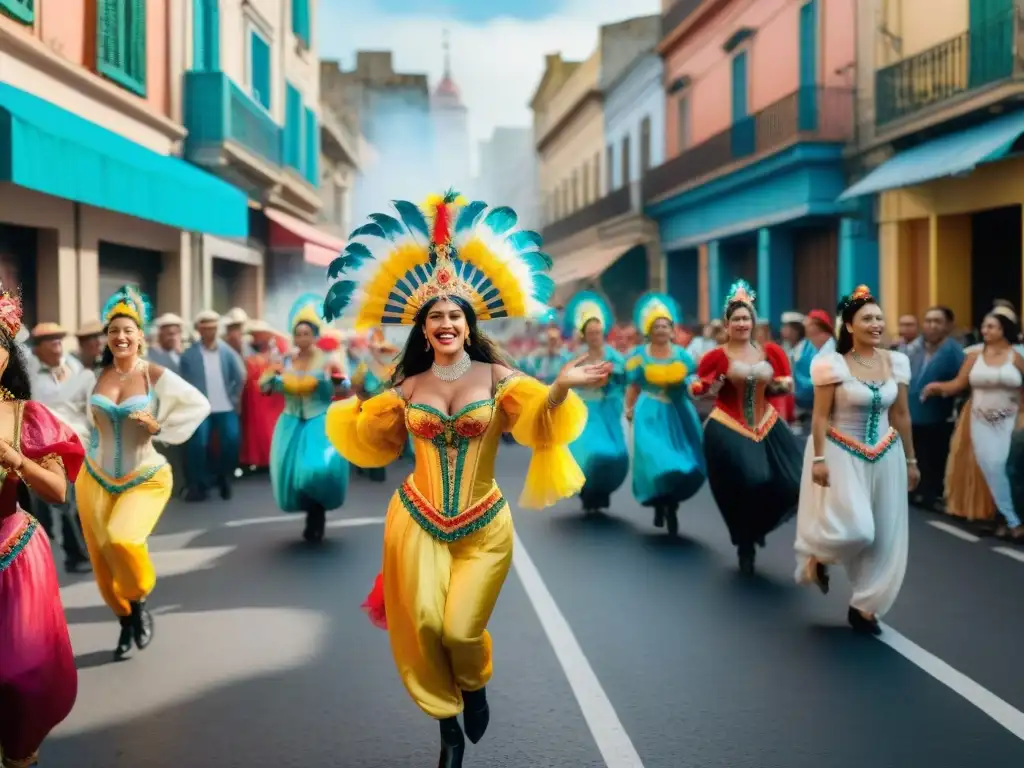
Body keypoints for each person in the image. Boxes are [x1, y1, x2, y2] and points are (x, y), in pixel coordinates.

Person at [322, 191, 608, 767]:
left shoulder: (498, 375)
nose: (446, 322)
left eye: (455, 314)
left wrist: (558, 388)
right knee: (424, 624)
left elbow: (533, 423)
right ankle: (447, 725)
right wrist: (351, 404)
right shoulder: (406, 388)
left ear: (468, 323)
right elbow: (374, 441)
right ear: (423, 329)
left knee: (460, 631)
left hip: (483, 526)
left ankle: (474, 684)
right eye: (436, 316)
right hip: (418, 521)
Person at [77, 286, 210, 660]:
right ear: (106, 337)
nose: (120, 336)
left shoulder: (154, 374)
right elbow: (70, 414)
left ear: (139, 336)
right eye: (113, 330)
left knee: (123, 540)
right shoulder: (95, 376)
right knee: (102, 562)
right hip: (95, 477)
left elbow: (198, 404)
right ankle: (124, 621)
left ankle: (137, 602)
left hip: (144, 476)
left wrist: (159, 427)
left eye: (127, 330)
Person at [794, 286, 917, 635]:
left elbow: (903, 414)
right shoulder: (831, 364)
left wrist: (911, 460)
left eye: (879, 318)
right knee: (858, 529)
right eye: (867, 318)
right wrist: (818, 458)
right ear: (849, 325)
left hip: (887, 454)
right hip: (840, 451)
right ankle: (819, 555)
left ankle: (865, 607)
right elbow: (819, 417)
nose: (876, 324)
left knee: (884, 536)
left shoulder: (897, 362)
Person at [0, 282, 85, 768]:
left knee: (18, 672)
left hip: (13, 551)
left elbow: (57, 492)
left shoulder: (29, 415)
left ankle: (19, 754)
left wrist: (15, 458)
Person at [689, 281, 802, 574]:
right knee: (754, 478)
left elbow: (784, 386)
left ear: (753, 321)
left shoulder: (771, 353)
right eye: (736, 319)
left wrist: (778, 385)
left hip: (765, 422)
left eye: (746, 318)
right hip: (729, 423)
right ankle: (745, 540)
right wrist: (708, 386)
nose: (742, 323)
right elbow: (699, 388)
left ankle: (757, 527)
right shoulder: (716, 356)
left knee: (793, 483)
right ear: (727, 325)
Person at [923, 304, 1024, 540]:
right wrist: (936, 388)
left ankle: (1008, 519)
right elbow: (958, 384)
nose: (985, 330)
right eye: (984, 326)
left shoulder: (1016, 357)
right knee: (988, 468)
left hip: (1009, 419)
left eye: (991, 326)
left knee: (1004, 468)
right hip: (979, 421)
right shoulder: (974, 356)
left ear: (1003, 330)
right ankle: (999, 518)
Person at [260, 295, 349, 543]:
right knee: (294, 477)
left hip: (318, 420)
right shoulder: (285, 361)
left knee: (315, 470)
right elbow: (266, 389)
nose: (302, 339)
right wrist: (271, 377)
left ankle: (318, 514)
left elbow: (343, 388)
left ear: (315, 335)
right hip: (290, 422)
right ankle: (312, 515)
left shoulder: (327, 360)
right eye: (298, 334)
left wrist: (336, 380)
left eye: (306, 334)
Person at [624, 293, 705, 535]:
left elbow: (692, 380)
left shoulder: (682, 355)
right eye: (656, 326)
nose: (661, 330)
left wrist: (694, 386)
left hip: (678, 412)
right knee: (657, 459)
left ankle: (671, 504)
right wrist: (629, 410)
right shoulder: (639, 356)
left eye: (665, 326)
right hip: (649, 412)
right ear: (649, 330)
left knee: (684, 464)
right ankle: (659, 501)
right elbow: (634, 386)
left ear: (672, 330)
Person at [561, 290, 629, 514]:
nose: (594, 336)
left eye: (598, 332)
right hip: (585, 411)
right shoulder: (577, 358)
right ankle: (587, 490)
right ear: (584, 335)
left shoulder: (615, 357)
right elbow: (566, 381)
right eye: (590, 333)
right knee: (591, 453)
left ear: (603, 333)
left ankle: (603, 490)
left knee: (614, 454)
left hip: (608, 410)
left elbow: (625, 378)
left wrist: (613, 379)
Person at [179, 311, 245, 502]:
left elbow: (239, 376)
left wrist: (235, 398)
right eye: (205, 328)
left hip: (225, 406)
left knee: (232, 441)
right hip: (201, 408)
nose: (210, 332)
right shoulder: (189, 355)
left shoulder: (227, 352)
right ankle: (199, 484)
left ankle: (223, 475)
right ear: (199, 330)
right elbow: (183, 382)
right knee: (198, 444)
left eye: (213, 328)